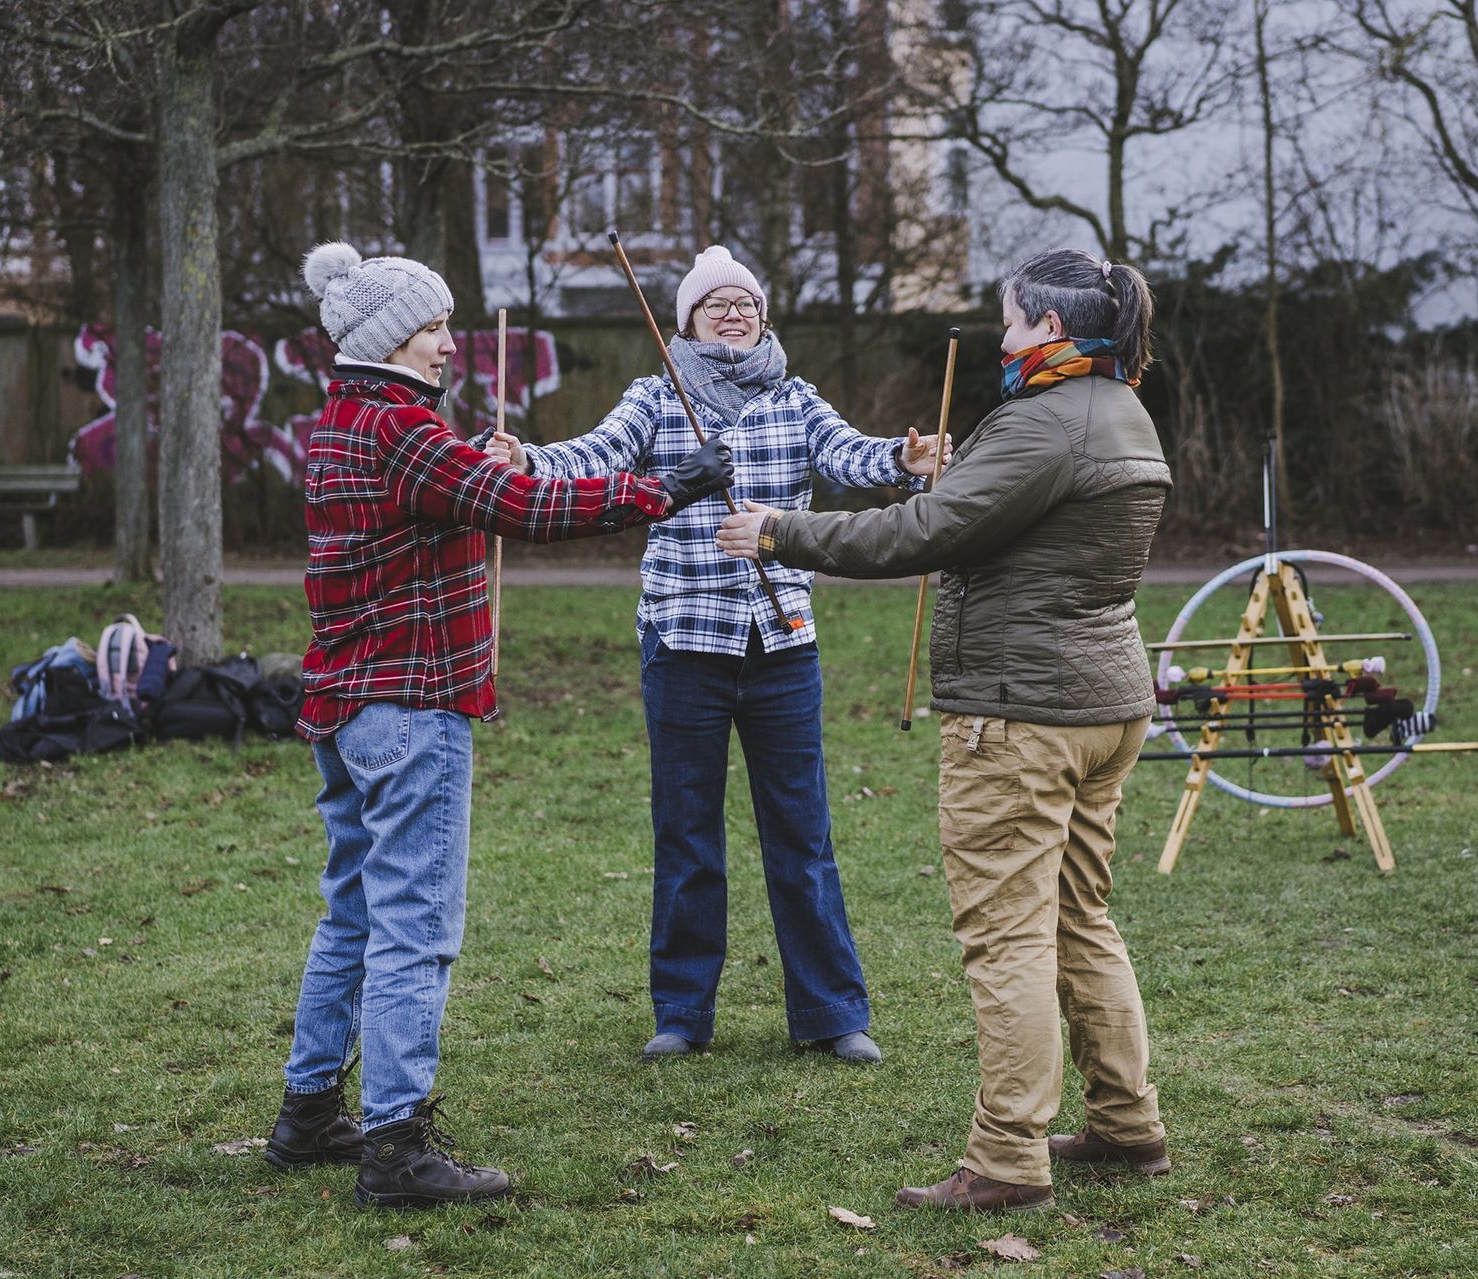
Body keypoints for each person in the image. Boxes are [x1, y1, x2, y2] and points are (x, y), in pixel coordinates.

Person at [266, 242, 734, 1209]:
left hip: (350, 709)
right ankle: (396, 1149)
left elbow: (451, 494)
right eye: (436, 327)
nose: (449, 343)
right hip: (410, 711)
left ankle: (309, 1113)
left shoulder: (348, 421)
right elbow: (523, 503)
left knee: (352, 910)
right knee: (413, 928)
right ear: (394, 336)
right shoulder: (400, 430)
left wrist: (470, 467)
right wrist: (667, 488)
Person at [716, 247, 1173, 1213]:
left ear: (1050, 328)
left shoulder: (1047, 421)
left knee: (1006, 936)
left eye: (1010, 320)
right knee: (1079, 917)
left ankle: (1008, 1156)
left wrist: (778, 529)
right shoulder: (1119, 410)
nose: (1002, 337)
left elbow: (918, 533)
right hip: (1105, 706)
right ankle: (1127, 1122)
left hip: (1023, 717)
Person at [484, 245, 948, 1065]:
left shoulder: (795, 398)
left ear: (763, 318)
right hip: (684, 642)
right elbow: (596, 454)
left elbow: (850, 456)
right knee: (687, 832)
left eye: (745, 303)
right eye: (714, 305)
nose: (732, 314)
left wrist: (906, 463)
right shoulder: (656, 397)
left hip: (781, 644)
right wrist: (527, 460)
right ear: (687, 323)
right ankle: (682, 1012)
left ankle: (833, 1012)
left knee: (802, 834)